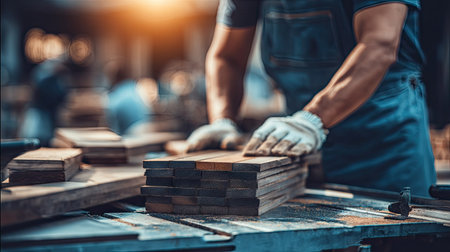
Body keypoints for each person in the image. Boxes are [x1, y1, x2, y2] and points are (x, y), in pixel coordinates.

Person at [186, 0, 436, 197]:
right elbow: (226, 57)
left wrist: (312, 120)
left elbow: (379, 45)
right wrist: (223, 122)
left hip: (384, 148)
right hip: (302, 152)